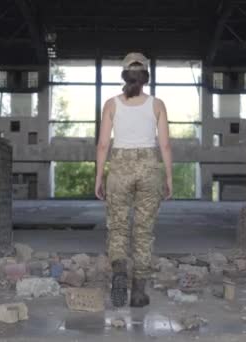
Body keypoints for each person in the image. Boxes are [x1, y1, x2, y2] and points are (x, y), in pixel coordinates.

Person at [94, 52, 173, 307]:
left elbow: (104, 144)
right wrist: (168, 177)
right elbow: (165, 145)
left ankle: (119, 272)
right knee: (143, 231)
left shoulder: (112, 104)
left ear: (124, 75)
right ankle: (138, 292)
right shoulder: (157, 104)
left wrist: (99, 177)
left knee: (117, 227)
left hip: (120, 167)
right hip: (149, 167)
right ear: (146, 77)